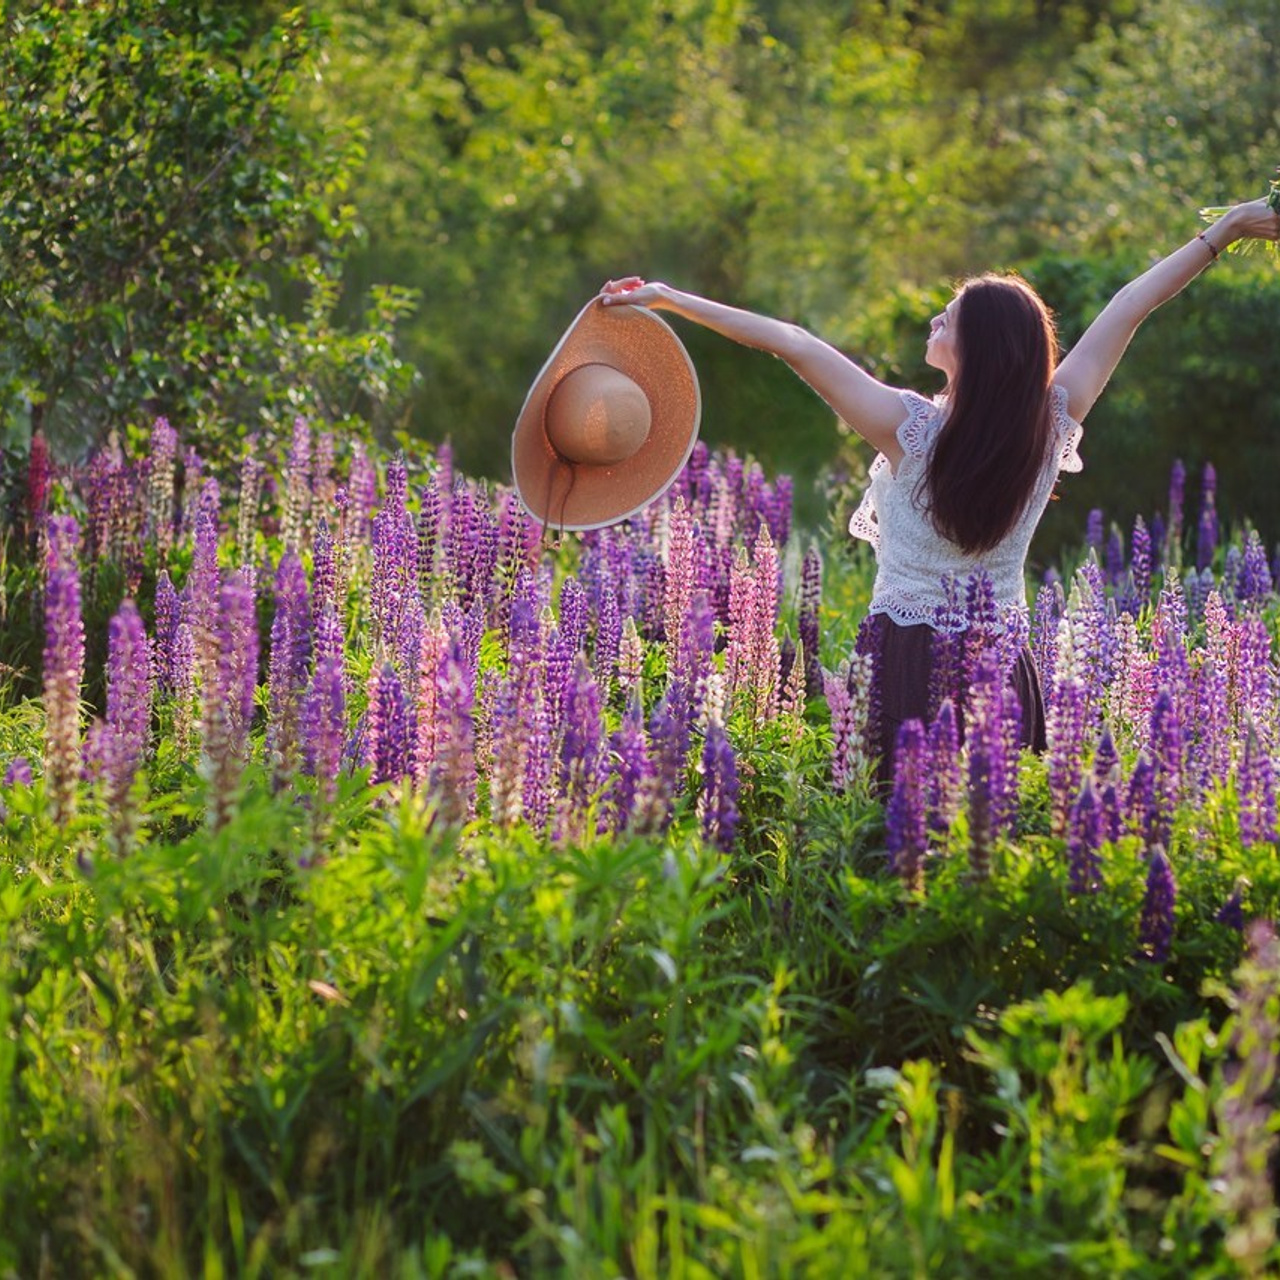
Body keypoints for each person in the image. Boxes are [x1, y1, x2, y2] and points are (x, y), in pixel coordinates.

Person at [599, 195, 1280, 778]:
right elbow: (1131, 306)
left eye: (947, 319)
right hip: (1003, 667)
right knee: (989, 845)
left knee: (897, 846)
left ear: (976, 349)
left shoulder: (907, 428)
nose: (934, 323)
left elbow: (794, 342)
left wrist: (669, 299)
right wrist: (1226, 230)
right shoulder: (1049, 421)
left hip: (906, 661)